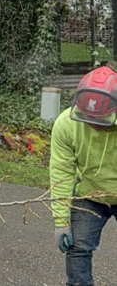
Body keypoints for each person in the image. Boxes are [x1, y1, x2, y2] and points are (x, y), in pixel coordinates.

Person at [50, 66, 117, 286]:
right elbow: (62, 173)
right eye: (88, 118)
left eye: (99, 120)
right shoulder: (66, 125)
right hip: (88, 194)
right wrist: (61, 222)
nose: (93, 125)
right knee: (77, 247)